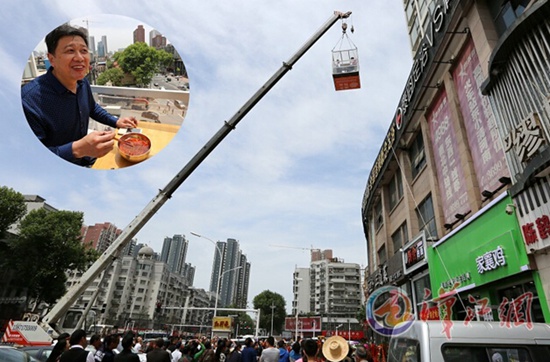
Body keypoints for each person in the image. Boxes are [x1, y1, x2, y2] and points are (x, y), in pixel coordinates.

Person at [21, 23, 138, 166]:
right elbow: (32, 158)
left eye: (83, 51)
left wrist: (115, 121)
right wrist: (76, 150)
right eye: (70, 51)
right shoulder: (29, 101)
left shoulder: (82, 82)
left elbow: (92, 108)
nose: (79, 58)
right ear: (51, 59)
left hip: (88, 159)